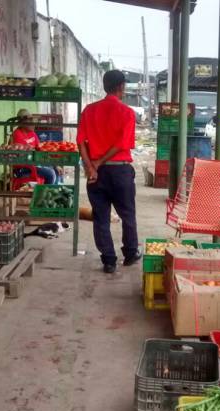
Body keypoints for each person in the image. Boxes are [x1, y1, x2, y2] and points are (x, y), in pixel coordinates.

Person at [77, 70, 140, 274]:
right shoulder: (127, 113)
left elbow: (81, 142)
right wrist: (99, 162)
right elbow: (122, 144)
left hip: (96, 175)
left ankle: (109, 261)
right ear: (121, 86)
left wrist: (91, 166)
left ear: (105, 86)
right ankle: (130, 254)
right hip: (120, 172)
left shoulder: (89, 111)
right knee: (127, 215)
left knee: (101, 217)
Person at [10, 109, 58, 185]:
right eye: (29, 121)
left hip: (34, 163)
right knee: (50, 174)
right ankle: (44, 194)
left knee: (55, 169)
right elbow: (21, 156)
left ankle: (47, 193)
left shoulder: (32, 133)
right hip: (23, 168)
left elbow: (40, 148)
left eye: (32, 120)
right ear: (22, 123)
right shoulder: (17, 134)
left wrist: (54, 164)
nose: (33, 123)